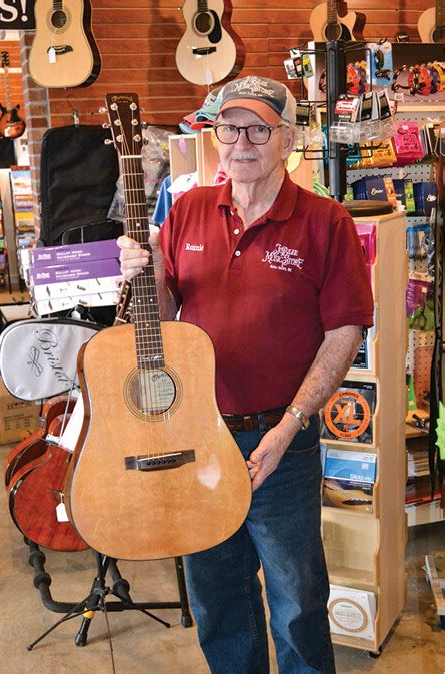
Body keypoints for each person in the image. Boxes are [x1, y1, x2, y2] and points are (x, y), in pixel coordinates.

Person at [118, 75, 374, 674]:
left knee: (297, 603)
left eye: (259, 128)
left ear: (286, 139)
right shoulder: (187, 211)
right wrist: (148, 271)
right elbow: (162, 322)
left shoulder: (325, 222)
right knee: (218, 599)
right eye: (230, 128)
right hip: (197, 441)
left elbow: (345, 334)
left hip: (280, 444)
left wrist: (290, 425)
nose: (242, 142)